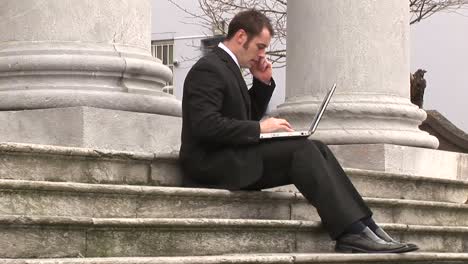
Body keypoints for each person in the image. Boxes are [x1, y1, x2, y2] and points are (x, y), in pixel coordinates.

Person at [179, 9, 418, 254]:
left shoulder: (228, 68)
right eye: (260, 47)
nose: (263, 54)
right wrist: (261, 128)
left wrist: (261, 84)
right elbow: (205, 125)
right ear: (241, 36)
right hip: (209, 165)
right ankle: (351, 233)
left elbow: (241, 118)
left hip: (232, 155)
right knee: (301, 150)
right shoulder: (208, 69)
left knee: (317, 147)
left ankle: (365, 226)